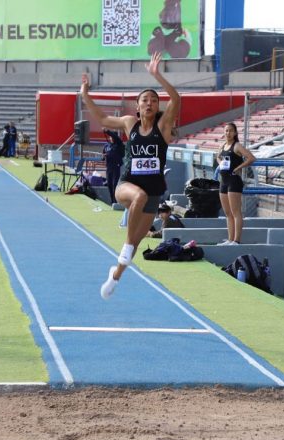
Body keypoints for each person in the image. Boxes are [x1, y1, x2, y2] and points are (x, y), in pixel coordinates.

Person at [80, 52, 181, 299]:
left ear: (158, 107)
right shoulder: (128, 123)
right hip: (128, 185)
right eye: (145, 100)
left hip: (154, 192)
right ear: (137, 106)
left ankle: (115, 276)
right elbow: (102, 118)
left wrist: (157, 75)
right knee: (138, 200)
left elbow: (176, 98)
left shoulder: (163, 127)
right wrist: (85, 95)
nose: (149, 103)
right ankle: (126, 246)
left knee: (136, 242)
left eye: (154, 100)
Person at [216, 122, 256, 245]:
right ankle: (230, 239)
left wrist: (239, 167)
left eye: (230, 131)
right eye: (226, 130)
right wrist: (220, 163)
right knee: (227, 213)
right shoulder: (223, 145)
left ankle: (236, 240)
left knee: (236, 212)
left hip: (234, 181)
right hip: (223, 181)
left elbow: (251, 158)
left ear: (235, 133)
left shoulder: (237, 146)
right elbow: (217, 156)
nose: (228, 133)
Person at [102, 128, 125, 200]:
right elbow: (103, 156)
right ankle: (112, 200)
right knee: (109, 184)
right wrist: (104, 157)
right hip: (109, 167)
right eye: (110, 137)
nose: (111, 138)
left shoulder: (119, 144)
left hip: (116, 166)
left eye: (112, 137)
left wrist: (107, 131)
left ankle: (115, 200)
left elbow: (116, 138)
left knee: (115, 184)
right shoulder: (106, 146)